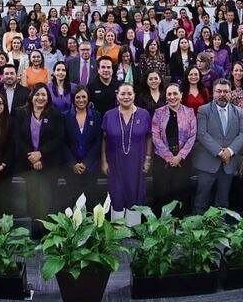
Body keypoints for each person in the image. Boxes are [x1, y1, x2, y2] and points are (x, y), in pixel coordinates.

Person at [12, 84, 65, 230]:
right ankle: (35, 228)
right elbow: (16, 138)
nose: (40, 98)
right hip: (28, 163)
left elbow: (59, 138)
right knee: (33, 197)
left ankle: (50, 230)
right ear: (32, 96)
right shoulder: (20, 113)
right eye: (37, 94)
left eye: (44, 95)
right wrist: (32, 157)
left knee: (49, 197)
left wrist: (41, 153)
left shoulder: (55, 114)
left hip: (49, 164)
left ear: (48, 98)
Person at [192, 79, 243, 213]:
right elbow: (202, 134)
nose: (222, 94)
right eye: (219, 91)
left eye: (226, 91)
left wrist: (230, 151)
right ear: (213, 92)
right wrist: (220, 152)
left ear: (230, 93)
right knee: (201, 200)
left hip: (228, 165)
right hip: (207, 164)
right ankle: (197, 231)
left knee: (222, 202)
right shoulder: (203, 110)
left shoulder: (238, 112)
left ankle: (220, 231)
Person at [102, 83, 153, 221]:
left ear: (134, 95)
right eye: (122, 94)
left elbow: (149, 137)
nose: (126, 97)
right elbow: (104, 139)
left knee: (135, 193)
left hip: (136, 162)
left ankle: (133, 228)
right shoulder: (109, 115)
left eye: (129, 94)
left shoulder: (144, 114)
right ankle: (117, 230)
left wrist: (148, 159)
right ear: (117, 96)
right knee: (116, 192)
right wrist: (104, 161)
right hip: (115, 163)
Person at [151, 83, 197, 214]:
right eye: (169, 94)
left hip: (183, 160)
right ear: (165, 97)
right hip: (162, 160)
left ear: (181, 95)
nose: (172, 97)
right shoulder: (158, 113)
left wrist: (179, 157)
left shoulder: (189, 112)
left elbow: (192, 136)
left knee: (181, 194)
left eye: (175, 93)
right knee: (163, 193)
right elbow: (156, 137)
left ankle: (180, 226)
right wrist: (169, 157)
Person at [64, 86, 103, 208]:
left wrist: (86, 163)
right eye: (78, 97)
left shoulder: (96, 116)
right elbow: (63, 142)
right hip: (71, 168)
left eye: (84, 97)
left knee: (90, 200)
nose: (81, 100)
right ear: (73, 99)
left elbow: (98, 141)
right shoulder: (65, 116)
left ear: (88, 98)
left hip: (91, 167)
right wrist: (73, 164)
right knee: (73, 201)